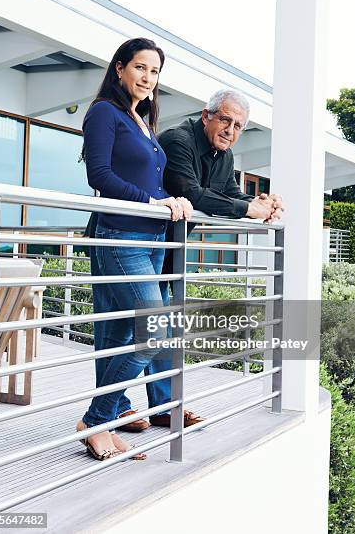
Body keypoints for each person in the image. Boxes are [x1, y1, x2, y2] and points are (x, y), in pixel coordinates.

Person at [118, 89, 284, 432]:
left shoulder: (223, 155)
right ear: (206, 115)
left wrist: (261, 205)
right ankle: (113, 408)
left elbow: (230, 195)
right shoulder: (180, 140)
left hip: (166, 250)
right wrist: (246, 209)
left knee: (162, 327)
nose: (230, 130)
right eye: (225, 119)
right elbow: (191, 193)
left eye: (238, 125)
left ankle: (163, 407)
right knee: (127, 326)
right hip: (134, 241)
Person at [76, 37, 192, 460]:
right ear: (120, 68)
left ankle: (101, 422)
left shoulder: (140, 118)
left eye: (155, 71)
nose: (148, 78)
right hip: (120, 239)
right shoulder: (104, 113)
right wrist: (151, 202)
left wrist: (171, 199)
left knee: (121, 334)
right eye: (141, 68)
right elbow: (100, 175)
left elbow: (151, 182)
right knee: (154, 332)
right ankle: (96, 419)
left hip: (152, 240)